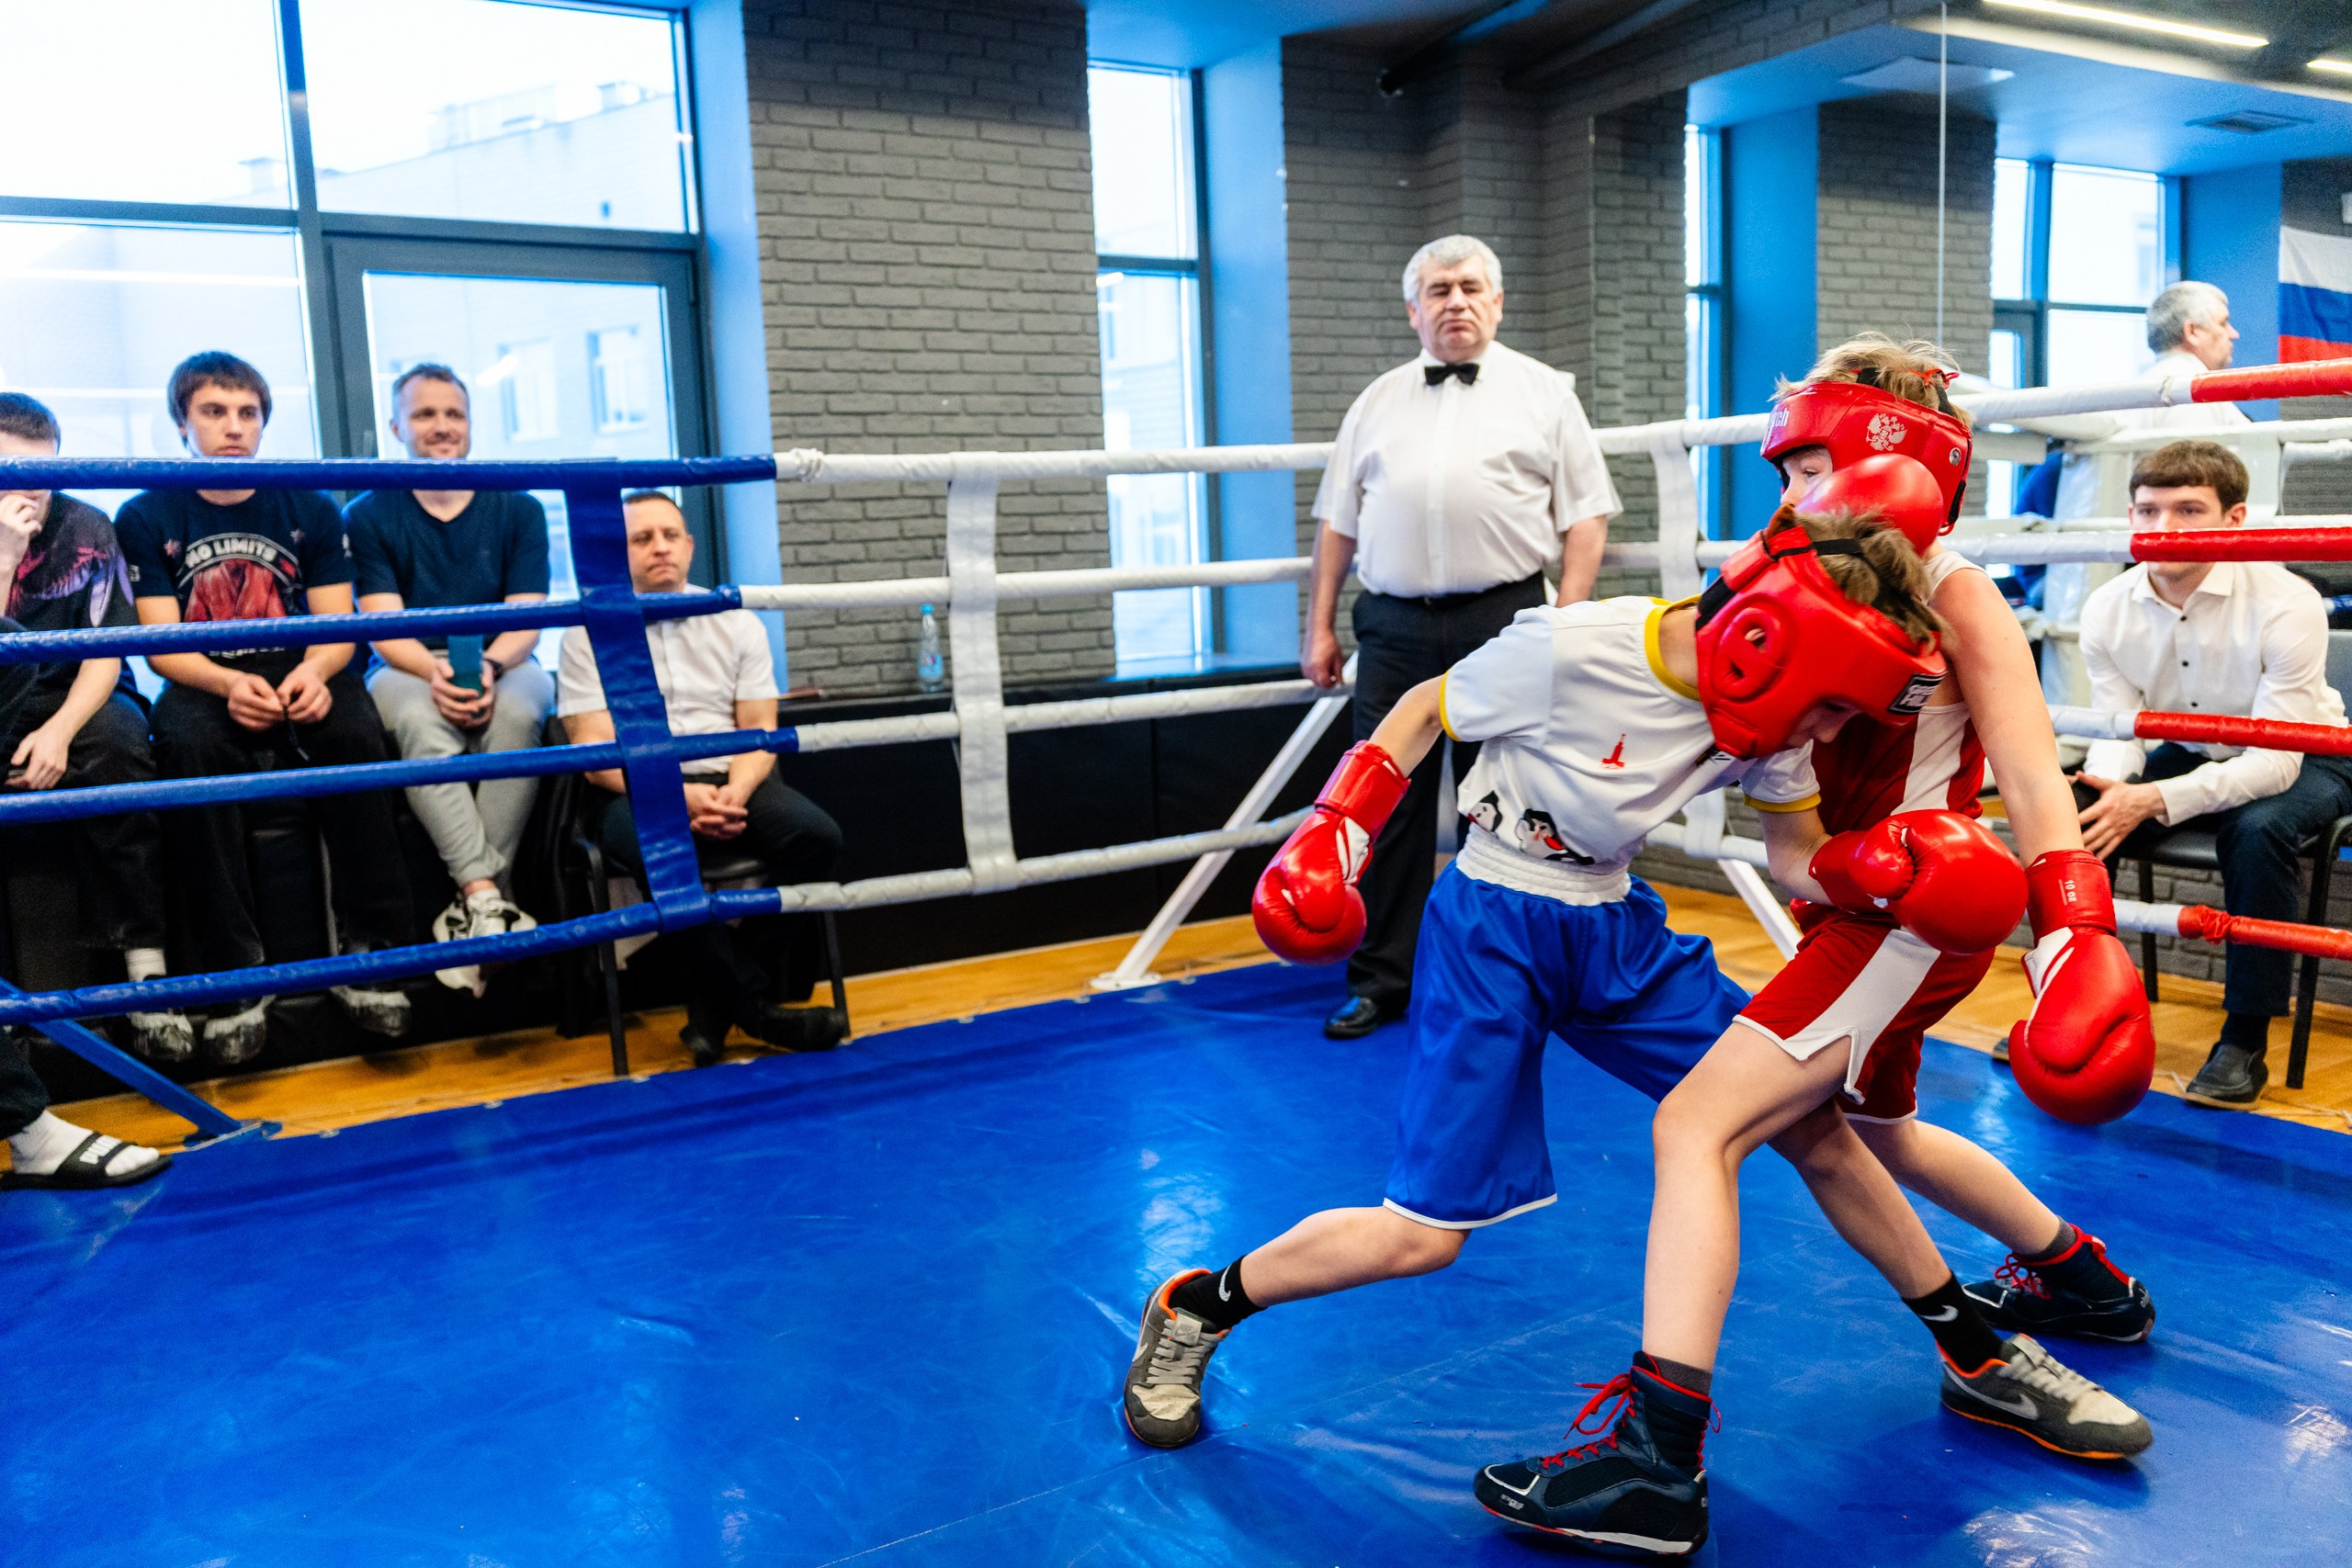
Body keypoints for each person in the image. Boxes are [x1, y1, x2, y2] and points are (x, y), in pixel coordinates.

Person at [1125, 484, 2145, 1556]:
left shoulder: (1787, 715)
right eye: (1831, 710)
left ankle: (1977, 1353)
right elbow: (1425, 705)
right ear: (1765, 651)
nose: (1831, 734)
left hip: (1614, 927)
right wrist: (1341, 824)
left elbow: (1797, 860)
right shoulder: (1569, 650)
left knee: (1811, 1124)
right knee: (1419, 1237)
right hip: (1492, 925)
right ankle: (1198, 1305)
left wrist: (1890, 870)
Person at [1749, 337, 2158, 1320]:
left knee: (1736, 1112)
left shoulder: (1957, 592)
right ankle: (2079, 1278)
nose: (1792, 496)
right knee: (1875, 1127)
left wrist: (2075, 930)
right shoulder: (1789, 574)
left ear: (1892, 470)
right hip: (1839, 891)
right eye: (1788, 473)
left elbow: (2029, 770)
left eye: (1813, 469)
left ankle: (1958, 1332)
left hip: (1917, 907)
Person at [1304, 233, 1619, 1041]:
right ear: (1413, 309)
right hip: (1393, 623)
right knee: (1385, 798)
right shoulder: (1376, 400)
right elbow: (1338, 523)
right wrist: (1319, 625)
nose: (1456, 302)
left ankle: (1503, 978)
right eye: (1439, 290)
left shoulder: (1545, 393)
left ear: (1498, 301)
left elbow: (1587, 515)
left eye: (1471, 287)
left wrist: (1566, 621)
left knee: (1510, 801)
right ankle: (1381, 979)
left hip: (1505, 619)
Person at [114, 353, 413, 1064]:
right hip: (204, 674)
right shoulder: (146, 511)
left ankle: (369, 956)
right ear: (182, 424)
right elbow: (160, 645)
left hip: (303, 662)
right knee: (187, 751)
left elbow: (338, 625)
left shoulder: (309, 504)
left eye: (247, 413)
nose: (233, 427)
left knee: (357, 733)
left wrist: (315, 671)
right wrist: (226, 684)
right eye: (214, 412)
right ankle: (235, 976)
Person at [2076, 439, 2352, 1108]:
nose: (2164, 527)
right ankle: (2079, 1003)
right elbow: (2119, 731)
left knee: (2256, 831)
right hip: (2194, 748)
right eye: (2149, 510)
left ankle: (2244, 1039)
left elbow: (2274, 761)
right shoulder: (2107, 607)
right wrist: (2113, 792)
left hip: (2310, 754)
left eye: (2188, 509)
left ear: (2235, 519)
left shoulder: (2287, 601)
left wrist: (2151, 799)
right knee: (2078, 815)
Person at [557, 491, 844, 1066]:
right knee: (659, 852)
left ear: (689, 546)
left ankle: (717, 1006)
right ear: (618, 553)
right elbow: (594, 753)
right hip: (639, 787)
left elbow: (759, 729)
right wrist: (678, 796)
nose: (659, 547)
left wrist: (737, 790)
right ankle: (756, 1011)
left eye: (670, 535)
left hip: (733, 776)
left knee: (818, 838)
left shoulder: (735, 620)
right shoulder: (587, 633)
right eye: (642, 538)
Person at [348, 365, 552, 995]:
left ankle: (475, 904)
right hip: (407, 663)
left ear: (469, 423)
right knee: (418, 719)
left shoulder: (519, 506)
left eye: (453, 414)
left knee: (520, 713)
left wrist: (489, 667)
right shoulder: (367, 513)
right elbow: (383, 630)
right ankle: (489, 894)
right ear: (396, 427)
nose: (441, 426)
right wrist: (435, 672)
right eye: (424, 414)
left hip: (504, 658)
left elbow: (527, 619)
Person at [0, 393, 190, 1063]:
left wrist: (59, 732)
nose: (28, 489)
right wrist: (5, 556)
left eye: (41, 472)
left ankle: (146, 965)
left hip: (78, 690)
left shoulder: (88, 525)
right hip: (2, 691)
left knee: (118, 744)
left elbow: (106, 653)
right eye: (10, 470)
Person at [2041, 281, 2249, 722]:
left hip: (2130, 562)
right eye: (2225, 322)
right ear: (2192, 331)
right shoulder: (2186, 391)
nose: (2233, 334)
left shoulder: (2143, 387)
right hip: (2175, 566)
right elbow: (2194, 488)